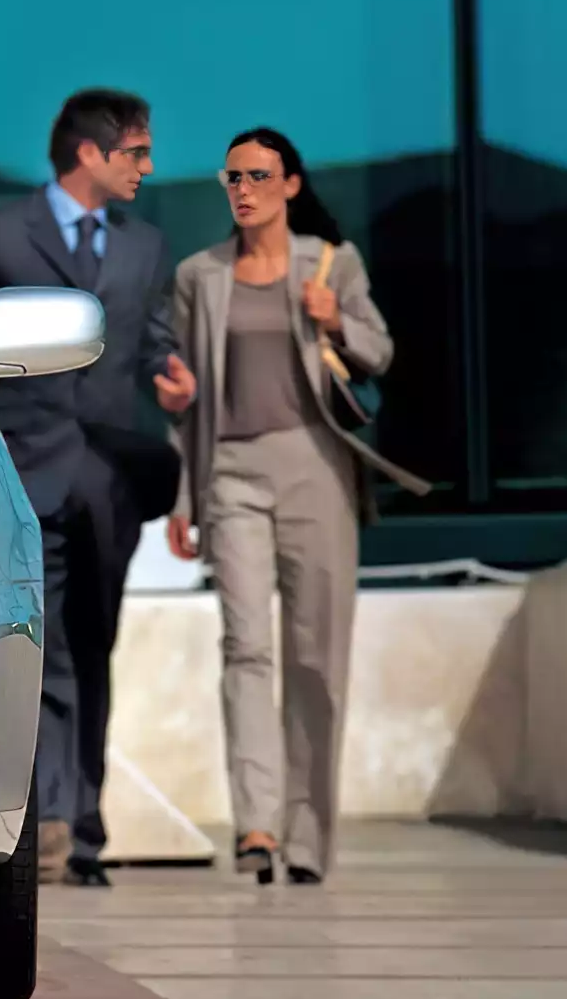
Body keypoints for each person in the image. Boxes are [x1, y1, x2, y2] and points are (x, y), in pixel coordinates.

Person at [165, 128, 429, 885]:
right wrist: (185, 494)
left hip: (316, 467)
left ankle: (308, 837)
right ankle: (257, 824)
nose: (243, 189)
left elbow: (379, 352)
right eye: (232, 177)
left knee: (316, 657)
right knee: (245, 646)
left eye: (258, 176)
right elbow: (188, 401)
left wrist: (334, 317)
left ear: (289, 184)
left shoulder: (332, 263)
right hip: (232, 473)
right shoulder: (199, 275)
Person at [0, 88, 197, 887]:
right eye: (136, 152)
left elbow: (151, 341)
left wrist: (170, 376)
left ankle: (84, 828)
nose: (147, 167)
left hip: (108, 481)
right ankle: (50, 819)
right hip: (26, 475)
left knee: (94, 648)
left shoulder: (144, 246)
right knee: (42, 648)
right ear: (90, 152)